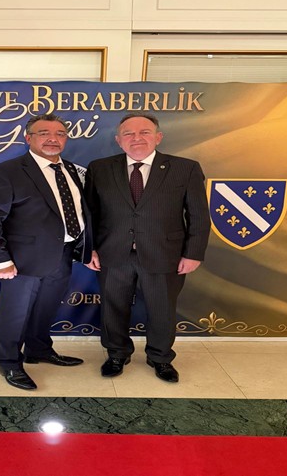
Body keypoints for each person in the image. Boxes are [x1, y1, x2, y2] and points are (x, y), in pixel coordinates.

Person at [85, 113, 210, 383]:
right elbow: (90, 214)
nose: (136, 138)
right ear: (119, 140)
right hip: (112, 253)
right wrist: (89, 249)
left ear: (158, 137)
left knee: (162, 309)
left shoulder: (185, 168)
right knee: (113, 308)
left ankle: (160, 357)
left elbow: (198, 215)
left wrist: (193, 253)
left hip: (165, 254)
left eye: (144, 132)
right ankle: (117, 354)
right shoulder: (100, 168)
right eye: (128, 134)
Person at [0, 113, 92, 390]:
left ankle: (38, 349)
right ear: (28, 138)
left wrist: (87, 247)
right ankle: (9, 363)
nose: (53, 139)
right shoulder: (7, 172)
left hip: (63, 254)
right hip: (21, 260)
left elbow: (77, 211)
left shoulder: (70, 169)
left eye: (60, 134)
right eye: (44, 133)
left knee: (46, 307)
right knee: (15, 314)